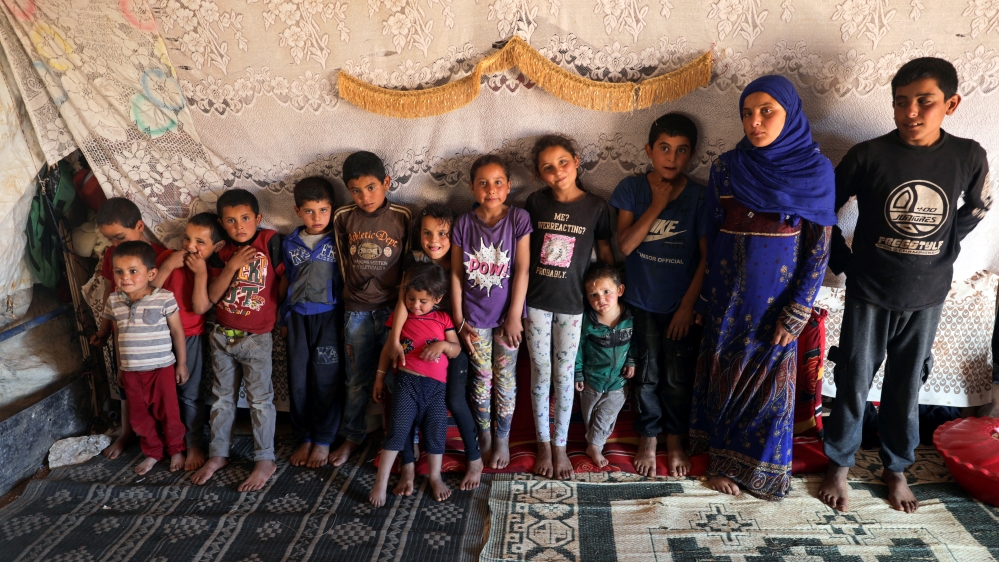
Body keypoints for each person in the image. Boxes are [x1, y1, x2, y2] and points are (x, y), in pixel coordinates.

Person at [819, 57, 990, 514]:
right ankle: (839, 464)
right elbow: (822, 211)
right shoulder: (868, 155)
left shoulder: (968, 156)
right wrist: (843, 262)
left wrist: (946, 245)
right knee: (853, 378)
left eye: (924, 101)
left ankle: (896, 467)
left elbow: (978, 206)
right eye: (901, 101)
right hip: (869, 291)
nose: (910, 112)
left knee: (906, 383)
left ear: (951, 104)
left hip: (927, 294)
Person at [688, 75, 835, 500]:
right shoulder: (727, 168)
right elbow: (714, 233)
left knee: (769, 388)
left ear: (790, 114)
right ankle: (721, 464)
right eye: (747, 113)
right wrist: (704, 298)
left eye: (767, 111)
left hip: (776, 306)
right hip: (725, 298)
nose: (755, 122)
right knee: (723, 376)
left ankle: (761, 471)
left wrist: (798, 310)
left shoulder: (815, 172)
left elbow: (819, 249)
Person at [610, 113, 709, 478]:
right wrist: (656, 205)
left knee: (677, 378)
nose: (672, 157)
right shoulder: (632, 189)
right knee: (647, 375)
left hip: (679, 307)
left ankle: (675, 439)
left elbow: (706, 258)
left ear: (692, 154)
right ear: (649, 150)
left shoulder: (699, 196)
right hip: (640, 303)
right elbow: (625, 246)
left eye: (681, 150)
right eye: (664, 148)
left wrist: (687, 306)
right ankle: (648, 437)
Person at [524, 134, 614, 480]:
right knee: (541, 371)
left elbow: (604, 255)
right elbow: (523, 254)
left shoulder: (596, 207)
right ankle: (543, 444)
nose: (557, 171)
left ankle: (560, 445)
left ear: (577, 160)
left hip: (573, 305)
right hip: (536, 302)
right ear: (539, 174)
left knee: (564, 375)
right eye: (547, 167)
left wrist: (610, 299)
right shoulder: (535, 203)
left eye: (563, 162)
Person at [385, 203, 484, 492]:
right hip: (413, 343)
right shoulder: (414, 260)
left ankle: (475, 458)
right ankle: (407, 465)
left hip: (450, 340)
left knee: (455, 400)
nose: (434, 240)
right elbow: (402, 303)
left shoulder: (460, 258)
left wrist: (460, 329)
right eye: (427, 233)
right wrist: (394, 341)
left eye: (442, 233)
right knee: (399, 400)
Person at [192, 189, 284, 492]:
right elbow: (212, 296)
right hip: (222, 336)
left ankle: (265, 460)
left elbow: (285, 279)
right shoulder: (221, 251)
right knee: (221, 399)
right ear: (222, 223)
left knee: (260, 401)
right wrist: (232, 266)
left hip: (256, 339)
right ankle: (218, 454)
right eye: (231, 221)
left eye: (245, 218)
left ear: (258, 218)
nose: (239, 226)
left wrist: (280, 317)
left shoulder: (269, 241)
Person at [329, 152, 411, 466]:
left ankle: (398, 440)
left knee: (397, 378)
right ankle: (352, 436)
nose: (365, 197)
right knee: (355, 380)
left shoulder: (403, 216)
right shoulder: (343, 217)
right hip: (356, 312)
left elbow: (408, 266)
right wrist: (352, 298)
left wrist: (403, 306)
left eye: (371, 187)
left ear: (386, 183)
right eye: (356, 190)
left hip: (393, 311)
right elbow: (342, 262)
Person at [451, 154, 532, 470]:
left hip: (507, 318)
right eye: (483, 183)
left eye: (498, 182)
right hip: (474, 319)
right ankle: (483, 435)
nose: (491, 189)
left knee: (505, 378)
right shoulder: (463, 223)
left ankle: (502, 437)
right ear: (472, 188)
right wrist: (459, 320)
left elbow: (522, 269)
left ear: (509, 186)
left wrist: (514, 315)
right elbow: (456, 274)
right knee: (481, 378)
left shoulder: (518, 219)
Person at [369, 263, 460, 506]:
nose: (415, 306)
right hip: (406, 383)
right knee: (397, 431)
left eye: (423, 301)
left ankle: (435, 477)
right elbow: (388, 349)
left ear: (437, 299)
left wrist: (443, 345)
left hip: (436, 389)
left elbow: (456, 349)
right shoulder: (401, 318)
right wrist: (379, 378)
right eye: (410, 299)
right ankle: (380, 482)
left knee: (436, 431)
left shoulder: (443, 319)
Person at [89, 197, 167, 460]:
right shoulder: (112, 256)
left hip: (152, 339)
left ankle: (162, 439)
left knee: (157, 393)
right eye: (109, 239)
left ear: (140, 226)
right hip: (122, 332)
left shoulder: (158, 256)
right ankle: (126, 432)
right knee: (125, 384)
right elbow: (109, 293)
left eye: (119, 237)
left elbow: (161, 298)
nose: (114, 245)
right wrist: (104, 329)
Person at [104, 241, 187, 475]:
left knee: (169, 413)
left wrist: (181, 364)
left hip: (161, 369)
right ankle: (153, 452)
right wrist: (121, 368)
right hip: (131, 372)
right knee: (139, 416)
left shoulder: (164, 298)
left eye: (133, 271)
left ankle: (176, 449)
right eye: (119, 271)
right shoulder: (114, 301)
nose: (125, 277)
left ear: (151, 274)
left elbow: (177, 332)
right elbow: (118, 336)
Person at [151, 212, 225, 471]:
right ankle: (170, 444)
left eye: (200, 242)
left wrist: (201, 274)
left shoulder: (213, 270)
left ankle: (193, 444)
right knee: (162, 394)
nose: (190, 247)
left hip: (190, 336)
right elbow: (148, 295)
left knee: (190, 394)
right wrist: (168, 266)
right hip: (159, 336)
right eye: (186, 239)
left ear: (217, 246)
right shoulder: (167, 258)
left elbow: (200, 307)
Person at [280, 177, 344, 469]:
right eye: (309, 211)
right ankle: (304, 436)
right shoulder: (289, 243)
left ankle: (324, 438)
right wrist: (284, 315)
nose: (317, 217)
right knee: (299, 380)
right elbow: (287, 280)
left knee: (325, 377)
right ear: (297, 211)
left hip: (329, 318)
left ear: (332, 209)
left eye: (323, 210)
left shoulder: (338, 239)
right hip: (297, 318)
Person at [574, 263, 635, 468]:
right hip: (592, 380)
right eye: (593, 295)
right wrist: (578, 373)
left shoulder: (630, 318)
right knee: (590, 416)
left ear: (620, 290)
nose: (600, 299)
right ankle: (592, 442)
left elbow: (636, 343)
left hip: (618, 381)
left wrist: (631, 361)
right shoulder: (587, 321)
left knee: (606, 415)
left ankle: (595, 446)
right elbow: (578, 348)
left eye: (606, 292)